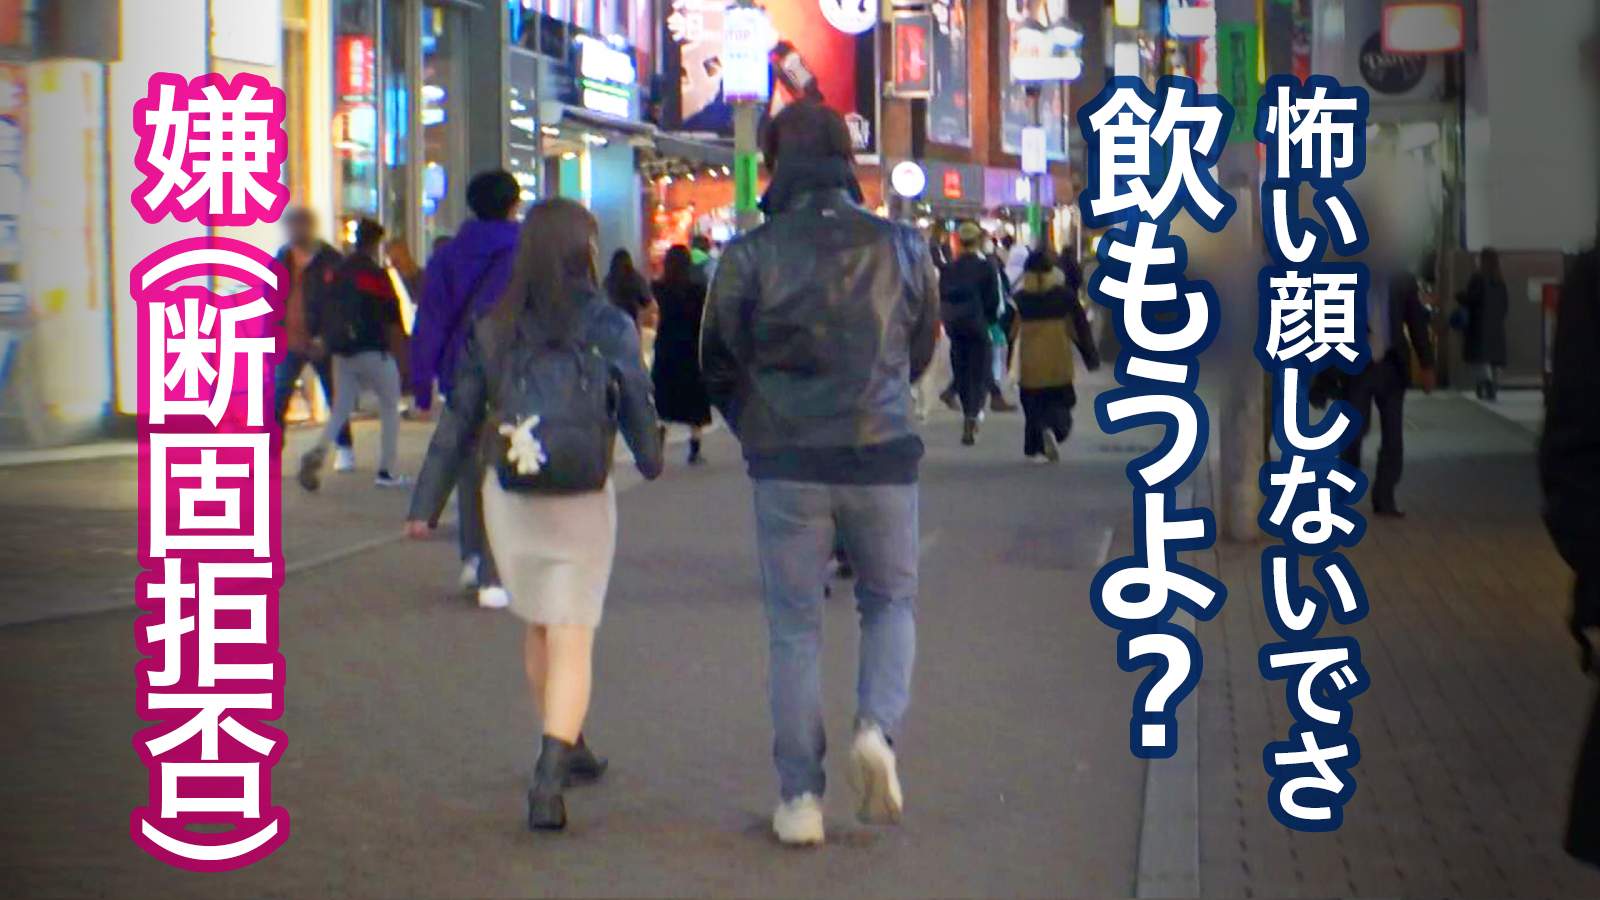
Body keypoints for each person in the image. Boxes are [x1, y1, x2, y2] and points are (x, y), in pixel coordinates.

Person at [701, 100, 938, 846]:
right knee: (889, 603)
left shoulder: (749, 254)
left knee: (795, 627)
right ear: (845, 158)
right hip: (883, 453)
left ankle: (801, 798)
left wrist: (759, 425)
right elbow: (919, 347)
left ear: (777, 162)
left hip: (788, 463)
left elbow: (717, 359)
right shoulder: (903, 246)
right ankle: (876, 729)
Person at [405, 198, 663, 832]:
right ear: (585, 252)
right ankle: (549, 775)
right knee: (573, 631)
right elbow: (636, 401)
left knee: (542, 624)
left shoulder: (495, 325)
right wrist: (651, 457)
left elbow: (459, 419)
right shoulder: (608, 323)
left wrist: (425, 505)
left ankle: (567, 743)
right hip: (581, 494)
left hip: (513, 494)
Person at [410, 170, 523, 609]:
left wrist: (422, 387)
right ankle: (495, 567)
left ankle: (473, 557)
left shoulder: (450, 255)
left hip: (461, 365)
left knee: (469, 462)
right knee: (508, 463)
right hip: (515, 368)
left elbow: (431, 321)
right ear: (513, 204)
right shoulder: (526, 250)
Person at [298, 218, 407, 490]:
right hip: (374, 350)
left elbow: (321, 308)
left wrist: (323, 339)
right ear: (375, 243)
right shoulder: (376, 275)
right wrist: (403, 354)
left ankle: (318, 452)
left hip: (342, 352)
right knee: (389, 409)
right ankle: (386, 471)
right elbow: (391, 315)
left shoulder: (337, 271)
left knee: (340, 409)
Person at [1337, 267, 1436, 517]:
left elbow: (1416, 322)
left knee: (1393, 436)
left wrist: (1426, 364)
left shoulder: (1402, 279)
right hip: (1358, 367)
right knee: (1354, 432)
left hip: (1392, 365)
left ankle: (1385, 496)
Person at [271, 208, 353, 469]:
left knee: (334, 395)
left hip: (321, 341)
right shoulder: (282, 259)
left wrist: (328, 338)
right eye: (291, 226)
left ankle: (344, 446)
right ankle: (270, 453)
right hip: (289, 341)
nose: (294, 232)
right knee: (278, 397)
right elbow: (270, 299)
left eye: (299, 226)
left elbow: (341, 305)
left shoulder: (331, 261)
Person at [1013, 249, 1099, 462]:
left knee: (1033, 408)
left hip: (1030, 366)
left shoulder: (1019, 300)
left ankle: (1037, 444)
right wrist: (1090, 358)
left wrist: (1006, 366)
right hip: (1058, 364)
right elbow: (1080, 330)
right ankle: (1054, 430)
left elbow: (1009, 333)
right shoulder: (1065, 297)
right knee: (1062, 403)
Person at [940, 220, 1003, 445]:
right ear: (978, 241)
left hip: (955, 327)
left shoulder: (949, 268)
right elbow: (992, 299)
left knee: (962, 369)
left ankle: (966, 408)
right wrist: (989, 320)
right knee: (979, 371)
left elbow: (942, 296)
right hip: (977, 325)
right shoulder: (985, 267)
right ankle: (972, 416)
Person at [651, 244, 713, 465]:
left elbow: (651, 315)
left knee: (664, 401)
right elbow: (705, 320)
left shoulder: (658, 288)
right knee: (694, 400)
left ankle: (657, 446)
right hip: (690, 349)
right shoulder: (698, 290)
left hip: (666, 348)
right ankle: (694, 450)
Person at [1460, 247, 1510, 401]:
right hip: (1496, 328)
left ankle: (1484, 383)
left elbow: (1471, 299)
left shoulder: (1478, 278)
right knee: (1494, 361)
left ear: (1483, 260)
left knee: (1479, 360)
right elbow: (1505, 306)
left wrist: (1459, 296)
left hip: (1479, 327)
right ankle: (1493, 385)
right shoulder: (1500, 281)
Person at [603, 248, 656, 328]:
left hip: (610, 326)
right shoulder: (635, 279)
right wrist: (641, 317)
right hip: (631, 326)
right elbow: (651, 304)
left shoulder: (607, 281)